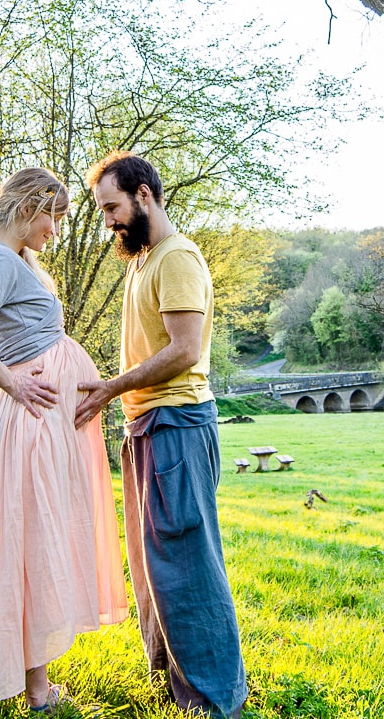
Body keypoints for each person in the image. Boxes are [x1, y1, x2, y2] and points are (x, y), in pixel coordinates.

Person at [74, 152, 249, 719]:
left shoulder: (177, 258)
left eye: (112, 209)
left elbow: (184, 350)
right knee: (154, 565)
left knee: (188, 565)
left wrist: (109, 388)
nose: (108, 223)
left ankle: (214, 700)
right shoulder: (143, 260)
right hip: (148, 425)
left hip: (177, 424)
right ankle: (173, 680)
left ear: (144, 195)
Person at [0, 167, 126, 712]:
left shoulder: (13, 258)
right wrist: (14, 382)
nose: (55, 231)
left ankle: (38, 685)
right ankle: (37, 689)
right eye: (53, 217)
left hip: (45, 420)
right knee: (37, 541)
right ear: (29, 207)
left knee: (41, 540)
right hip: (33, 416)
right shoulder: (1, 258)